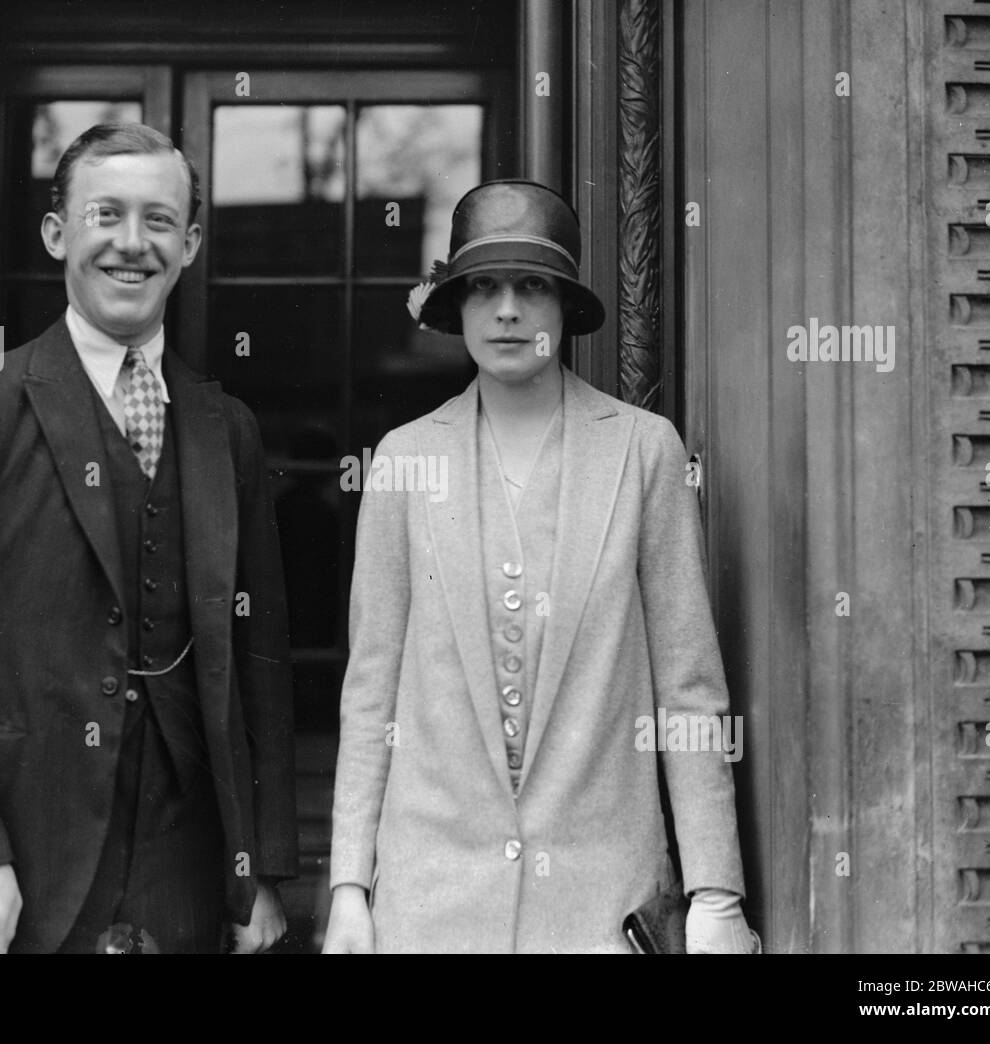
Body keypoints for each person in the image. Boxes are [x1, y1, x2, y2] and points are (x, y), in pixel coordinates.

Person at [0, 123, 297, 954]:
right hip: (10, 878)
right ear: (58, 234)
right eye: (106, 216)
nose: (133, 244)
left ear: (190, 243)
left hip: (189, 882)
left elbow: (257, 661)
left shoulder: (224, 427)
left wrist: (258, 871)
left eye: (160, 221)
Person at [323, 179, 756, 953]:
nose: (509, 310)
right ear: (455, 308)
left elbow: (689, 692)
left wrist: (715, 893)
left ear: (565, 309)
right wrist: (351, 888)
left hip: (599, 904)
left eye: (533, 287)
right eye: (483, 287)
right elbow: (371, 693)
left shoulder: (642, 450)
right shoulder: (405, 460)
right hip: (431, 905)